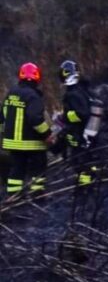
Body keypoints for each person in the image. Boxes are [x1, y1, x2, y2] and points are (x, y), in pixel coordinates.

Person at [1, 63, 50, 197]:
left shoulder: (11, 93)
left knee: (17, 169)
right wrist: (47, 134)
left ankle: (13, 197)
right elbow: (35, 119)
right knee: (38, 167)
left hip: (12, 143)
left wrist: (3, 135)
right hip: (32, 143)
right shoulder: (33, 96)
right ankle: (37, 195)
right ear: (37, 77)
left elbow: (2, 115)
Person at [57, 59, 101, 186]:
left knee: (80, 162)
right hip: (89, 132)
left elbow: (82, 114)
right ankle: (93, 180)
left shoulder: (72, 94)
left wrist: (65, 117)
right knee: (90, 159)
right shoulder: (83, 89)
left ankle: (85, 186)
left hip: (79, 133)